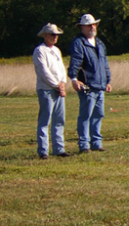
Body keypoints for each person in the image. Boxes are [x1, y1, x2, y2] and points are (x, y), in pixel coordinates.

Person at [68, 13, 113, 153]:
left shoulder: (99, 43)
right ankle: (84, 145)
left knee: (99, 114)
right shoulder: (78, 43)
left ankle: (96, 143)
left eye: (93, 24)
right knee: (86, 114)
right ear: (82, 28)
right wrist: (74, 79)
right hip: (87, 85)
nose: (92, 27)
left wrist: (108, 80)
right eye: (89, 25)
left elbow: (104, 63)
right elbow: (75, 63)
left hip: (100, 85)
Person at [32, 23, 70, 159]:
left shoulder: (57, 50)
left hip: (59, 90)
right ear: (45, 35)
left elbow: (61, 69)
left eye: (57, 35)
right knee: (45, 120)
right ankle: (43, 151)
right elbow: (44, 71)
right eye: (52, 34)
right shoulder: (40, 51)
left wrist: (63, 83)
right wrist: (57, 85)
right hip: (46, 90)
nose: (55, 37)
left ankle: (59, 148)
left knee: (59, 120)